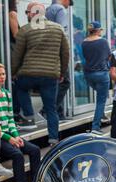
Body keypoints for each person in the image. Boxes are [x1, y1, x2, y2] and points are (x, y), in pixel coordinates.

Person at [11, 2, 70, 146]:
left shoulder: (25, 30)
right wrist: (61, 72)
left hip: (28, 73)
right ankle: (53, 139)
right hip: (50, 75)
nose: (26, 15)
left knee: (21, 87)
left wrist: (13, 72)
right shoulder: (58, 29)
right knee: (51, 108)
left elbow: (17, 55)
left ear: (32, 13)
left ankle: (29, 118)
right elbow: (65, 53)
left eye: (26, 12)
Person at [45, 0, 74, 121]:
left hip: (49, 51)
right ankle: (48, 110)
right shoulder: (60, 9)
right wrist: (65, 51)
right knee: (65, 81)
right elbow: (61, 32)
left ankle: (59, 113)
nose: (69, 5)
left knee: (57, 83)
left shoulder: (48, 10)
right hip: (57, 51)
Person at [82, 21, 112, 135]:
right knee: (101, 100)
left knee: (101, 96)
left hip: (88, 75)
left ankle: (101, 113)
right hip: (102, 74)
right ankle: (95, 127)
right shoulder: (103, 41)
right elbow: (109, 56)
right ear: (98, 30)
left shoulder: (84, 42)